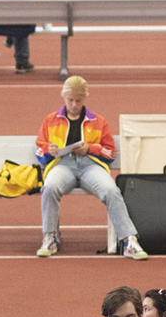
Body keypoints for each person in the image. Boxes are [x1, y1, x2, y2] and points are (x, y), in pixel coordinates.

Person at [34, 76, 146, 259]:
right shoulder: (50, 120)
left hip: (90, 166)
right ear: (64, 97)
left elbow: (111, 153)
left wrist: (90, 149)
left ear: (84, 98)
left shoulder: (98, 121)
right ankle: (50, 236)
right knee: (50, 187)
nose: (74, 105)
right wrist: (49, 150)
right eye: (70, 100)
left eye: (78, 100)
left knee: (112, 190)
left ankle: (128, 240)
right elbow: (39, 149)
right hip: (62, 165)